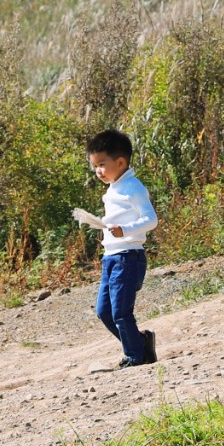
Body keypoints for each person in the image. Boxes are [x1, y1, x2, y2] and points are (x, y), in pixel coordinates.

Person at [75, 128, 159, 368]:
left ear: (120, 162)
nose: (97, 171)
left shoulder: (133, 187)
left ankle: (135, 355)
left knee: (121, 312)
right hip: (110, 257)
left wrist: (125, 229)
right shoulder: (113, 188)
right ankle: (141, 343)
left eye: (101, 164)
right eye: (94, 166)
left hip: (129, 257)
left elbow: (151, 220)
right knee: (104, 312)